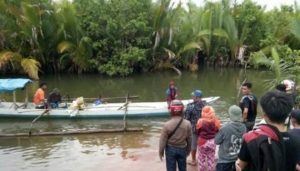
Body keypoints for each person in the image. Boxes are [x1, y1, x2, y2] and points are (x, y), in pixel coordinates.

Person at [236, 91, 300, 171]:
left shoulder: (251, 138)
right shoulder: (296, 140)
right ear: (288, 115)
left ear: (264, 115)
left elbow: (240, 165)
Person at [159, 100, 192, 171]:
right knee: (183, 168)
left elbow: (162, 141)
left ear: (171, 111)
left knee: (171, 168)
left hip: (170, 149)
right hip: (182, 148)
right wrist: (188, 150)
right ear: (182, 110)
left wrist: (161, 152)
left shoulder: (167, 125)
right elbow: (189, 139)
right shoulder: (187, 124)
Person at [215, 105, 247, 171]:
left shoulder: (225, 128)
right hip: (238, 161)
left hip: (224, 162)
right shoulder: (244, 127)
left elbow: (216, 141)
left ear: (230, 115)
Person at [184, 89, 206, 166]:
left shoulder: (190, 106)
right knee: (203, 144)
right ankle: (203, 159)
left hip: (194, 128)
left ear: (196, 97)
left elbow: (186, 119)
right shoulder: (205, 105)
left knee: (193, 144)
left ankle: (193, 160)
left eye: (193, 96)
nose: (192, 97)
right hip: (204, 128)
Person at [196, 106, 221, 171]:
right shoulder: (216, 120)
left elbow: (197, 132)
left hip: (202, 142)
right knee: (211, 159)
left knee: (201, 159)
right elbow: (217, 131)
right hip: (212, 142)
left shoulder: (200, 121)